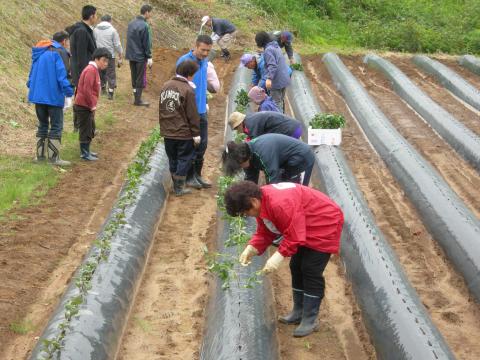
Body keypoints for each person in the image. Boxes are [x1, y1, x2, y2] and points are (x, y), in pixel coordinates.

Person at [224, 181, 344, 337]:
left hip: (324, 222)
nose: (247, 215)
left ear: (253, 201)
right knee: (296, 266)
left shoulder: (280, 204)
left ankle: (310, 319)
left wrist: (278, 257)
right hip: (305, 225)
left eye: (245, 212)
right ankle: (298, 312)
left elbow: (294, 236)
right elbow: (266, 230)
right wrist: (252, 247)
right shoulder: (262, 202)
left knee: (310, 269)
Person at [27, 32, 74, 166]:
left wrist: (33, 88)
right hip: (53, 96)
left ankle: (40, 157)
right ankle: (54, 159)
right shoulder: (58, 53)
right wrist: (69, 92)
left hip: (38, 96)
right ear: (64, 41)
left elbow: (30, 77)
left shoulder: (39, 52)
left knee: (42, 125)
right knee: (56, 126)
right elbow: (61, 76)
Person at [159, 60, 201, 196]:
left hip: (167, 131)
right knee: (184, 158)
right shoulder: (188, 90)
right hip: (183, 133)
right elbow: (192, 113)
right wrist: (196, 133)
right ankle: (179, 187)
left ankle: (175, 183)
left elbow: (162, 109)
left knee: (172, 157)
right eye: (193, 74)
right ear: (189, 74)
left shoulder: (165, 86)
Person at [177, 35, 213, 189]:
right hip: (188, 112)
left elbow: (203, 84)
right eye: (203, 50)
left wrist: (204, 102)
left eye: (208, 50)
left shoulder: (204, 62)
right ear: (196, 46)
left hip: (201, 110)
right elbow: (178, 86)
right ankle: (189, 176)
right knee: (191, 145)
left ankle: (197, 175)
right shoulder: (184, 61)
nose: (205, 53)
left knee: (202, 144)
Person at [222, 133, 315, 185]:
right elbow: (251, 180)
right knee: (283, 183)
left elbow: (272, 179)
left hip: (302, 158)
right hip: (286, 163)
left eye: (240, 165)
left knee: (295, 189)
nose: (241, 167)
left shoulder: (263, 154)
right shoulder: (246, 154)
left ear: (245, 158)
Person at [74, 48, 111, 161]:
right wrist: (92, 106)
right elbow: (87, 90)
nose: (105, 63)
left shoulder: (94, 70)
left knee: (90, 128)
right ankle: (84, 154)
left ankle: (87, 150)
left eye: (107, 61)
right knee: (86, 129)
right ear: (96, 59)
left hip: (87, 105)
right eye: (103, 60)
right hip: (84, 106)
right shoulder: (90, 70)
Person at [255, 31, 291, 113]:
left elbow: (272, 65)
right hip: (284, 79)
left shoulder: (268, 50)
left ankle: (280, 122)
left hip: (277, 81)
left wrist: (269, 79)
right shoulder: (276, 46)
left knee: (275, 105)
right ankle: (282, 117)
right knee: (280, 101)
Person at [125, 4, 153, 106]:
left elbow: (129, 39)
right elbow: (146, 43)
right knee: (140, 78)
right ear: (146, 12)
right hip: (140, 56)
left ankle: (136, 97)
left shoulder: (131, 23)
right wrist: (149, 56)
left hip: (131, 54)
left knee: (134, 76)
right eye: (150, 12)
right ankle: (138, 100)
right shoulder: (144, 25)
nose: (151, 14)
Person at [93, 14, 123, 100]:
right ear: (110, 21)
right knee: (111, 74)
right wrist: (120, 53)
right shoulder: (113, 30)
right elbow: (117, 44)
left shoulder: (95, 30)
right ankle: (110, 92)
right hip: (110, 56)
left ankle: (102, 88)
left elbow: (94, 41)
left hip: (99, 55)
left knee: (101, 72)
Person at [66, 5, 97, 87]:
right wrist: (84, 76)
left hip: (83, 71)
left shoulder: (84, 29)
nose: (96, 17)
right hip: (82, 73)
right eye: (95, 15)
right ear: (91, 16)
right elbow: (81, 56)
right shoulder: (82, 31)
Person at [228, 111, 302, 140]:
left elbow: (257, 141)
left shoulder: (251, 124)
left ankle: (296, 171)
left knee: (282, 153)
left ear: (240, 124)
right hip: (294, 127)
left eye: (236, 128)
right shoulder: (249, 119)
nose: (237, 131)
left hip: (292, 131)